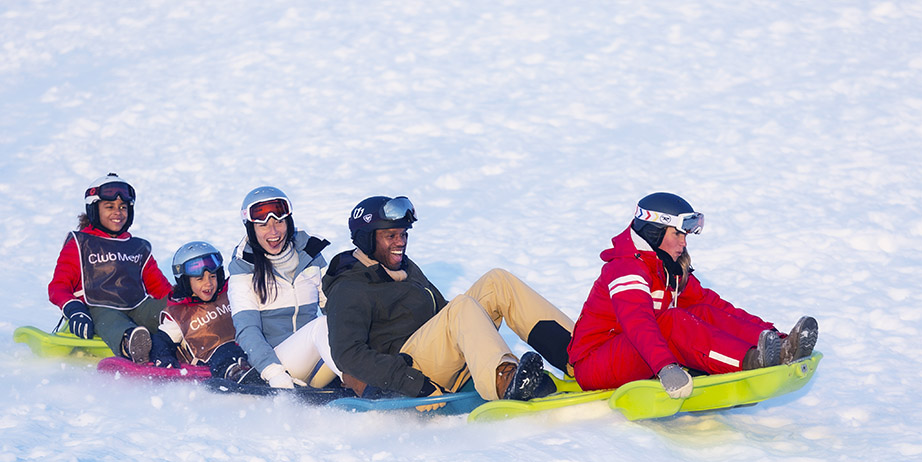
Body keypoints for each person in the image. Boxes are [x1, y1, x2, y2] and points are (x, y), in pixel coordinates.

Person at [322, 195, 575, 402]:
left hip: (436, 358)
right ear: (367, 239)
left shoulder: (404, 269)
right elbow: (348, 354)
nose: (401, 242)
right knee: (461, 307)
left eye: (404, 234)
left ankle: (580, 357)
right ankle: (504, 382)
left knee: (497, 282)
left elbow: (440, 315)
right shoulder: (350, 287)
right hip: (409, 374)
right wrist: (413, 384)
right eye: (391, 236)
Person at [568, 191, 818, 398]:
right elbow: (637, 323)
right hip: (595, 365)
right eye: (677, 233)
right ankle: (751, 361)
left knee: (702, 311)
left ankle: (778, 348)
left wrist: (773, 334)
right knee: (672, 322)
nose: (683, 243)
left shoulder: (667, 269)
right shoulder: (625, 268)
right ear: (655, 231)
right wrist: (666, 367)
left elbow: (717, 308)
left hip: (634, 354)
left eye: (685, 235)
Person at [48, 173, 172, 362]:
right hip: (98, 307)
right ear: (93, 210)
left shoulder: (138, 247)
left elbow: (160, 288)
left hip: (138, 306)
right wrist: (74, 309)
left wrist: (183, 305)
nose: (118, 212)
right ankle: (132, 343)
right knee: (110, 319)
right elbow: (58, 286)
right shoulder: (80, 243)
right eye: (109, 207)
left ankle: (198, 337)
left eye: (123, 207)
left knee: (172, 311)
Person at [227, 186, 342, 389]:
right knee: (322, 325)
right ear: (251, 229)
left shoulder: (310, 254)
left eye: (279, 221)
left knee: (340, 321)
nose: (273, 231)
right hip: (277, 365)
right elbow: (247, 329)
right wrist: (274, 372)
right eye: (263, 225)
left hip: (315, 362)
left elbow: (335, 307)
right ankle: (362, 382)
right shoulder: (243, 268)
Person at [149, 241, 256, 382]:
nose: (208, 283)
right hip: (214, 360)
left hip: (248, 347)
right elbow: (162, 341)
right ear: (185, 282)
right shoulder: (179, 315)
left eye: (212, 276)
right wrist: (164, 360)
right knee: (225, 353)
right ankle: (237, 373)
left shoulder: (229, 294)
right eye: (200, 279)